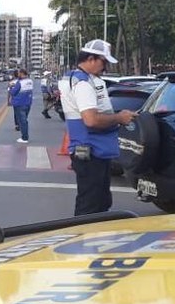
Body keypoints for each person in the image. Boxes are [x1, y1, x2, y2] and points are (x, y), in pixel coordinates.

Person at [59, 39, 138, 215]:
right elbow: (91, 120)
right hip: (91, 150)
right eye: (104, 62)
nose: (105, 68)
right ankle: (83, 239)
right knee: (91, 205)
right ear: (91, 58)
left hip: (93, 150)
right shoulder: (83, 84)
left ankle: (91, 237)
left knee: (100, 200)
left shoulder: (74, 77)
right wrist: (120, 118)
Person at [9, 69, 34, 143]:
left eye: (19, 73)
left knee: (22, 121)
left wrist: (11, 87)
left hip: (19, 104)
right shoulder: (30, 81)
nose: (18, 75)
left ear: (22, 73)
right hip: (28, 103)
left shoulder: (19, 83)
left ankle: (24, 137)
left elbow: (13, 92)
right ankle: (25, 136)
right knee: (24, 120)